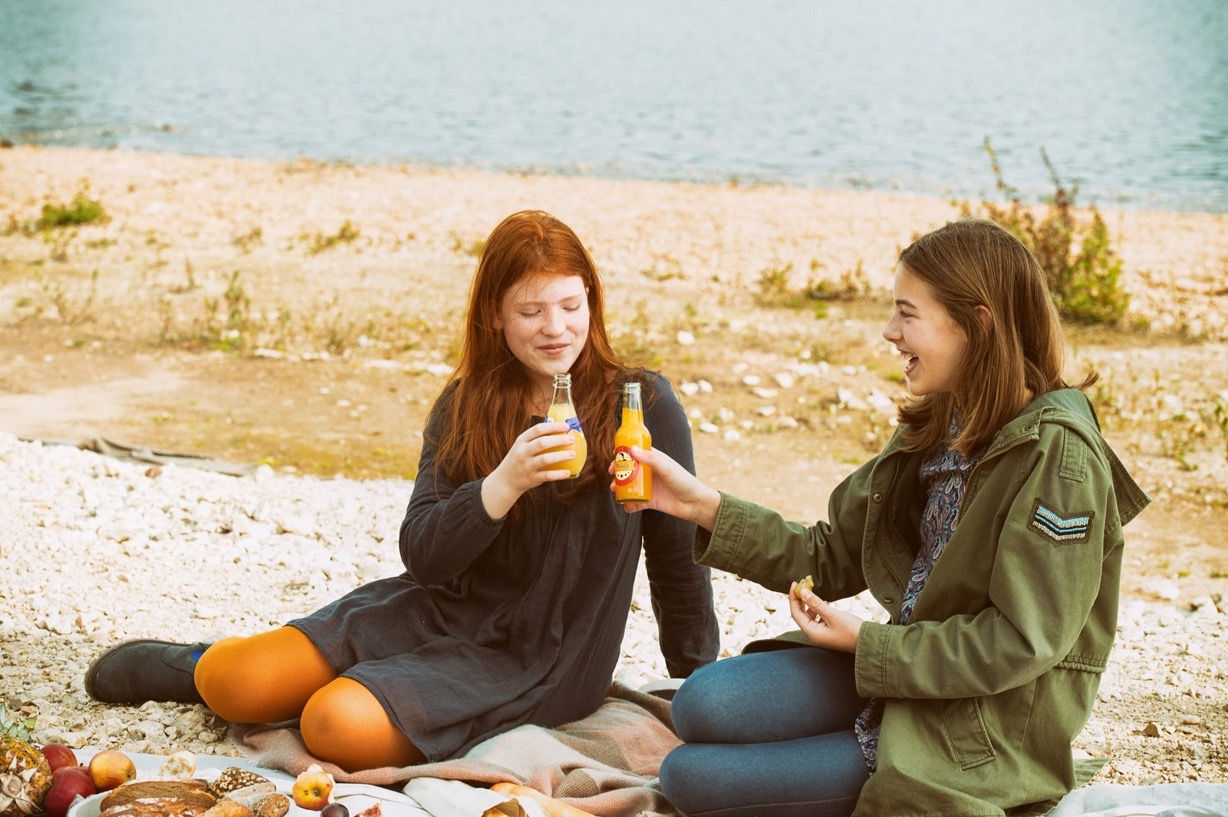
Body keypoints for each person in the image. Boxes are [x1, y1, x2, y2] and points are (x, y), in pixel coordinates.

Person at [86, 209, 719, 772]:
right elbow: (424, 554)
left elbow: (677, 562)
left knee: (331, 725)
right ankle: (196, 665)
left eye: (571, 306)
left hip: (544, 654)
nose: (556, 329)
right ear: (496, 317)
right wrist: (501, 485)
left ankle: (356, 693)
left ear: (592, 302)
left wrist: (701, 687)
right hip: (439, 608)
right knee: (234, 681)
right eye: (531, 311)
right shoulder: (467, 403)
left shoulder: (641, 406)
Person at [617, 219, 1150, 817]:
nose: (889, 332)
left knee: (688, 777)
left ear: (977, 323)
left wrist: (868, 644)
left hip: (975, 725)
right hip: (896, 673)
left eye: (907, 314)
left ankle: (893, 770)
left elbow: (1019, 642)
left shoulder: (1059, 457)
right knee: (699, 704)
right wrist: (697, 505)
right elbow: (830, 554)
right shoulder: (944, 421)